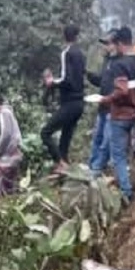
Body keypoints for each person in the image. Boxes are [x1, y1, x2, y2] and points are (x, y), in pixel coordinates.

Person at [94, 26, 135, 201]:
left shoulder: (119, 64)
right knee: (128, 150)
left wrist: (106, 99)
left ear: (119, 43)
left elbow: (122, 91)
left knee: (118, 155)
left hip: (120, 115)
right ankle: (132, 183)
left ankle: (126, 191)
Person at [41, 25, 87, 173]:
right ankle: (64, 164)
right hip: (80, 103)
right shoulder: (81, 54)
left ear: (64, 36)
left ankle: (60, 163)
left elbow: (67, 80)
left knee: (46, 132)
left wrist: (52, 82)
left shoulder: (66, 53)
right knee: (65, 137)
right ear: (77, 36)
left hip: (70, 102)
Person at [87, 33, 118, 174]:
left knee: (107, 140)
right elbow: (102, 80)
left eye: (108, 43)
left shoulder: (119, 62)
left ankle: (99, 168)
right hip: (102, 105)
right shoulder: (107, 60)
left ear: (115, 44)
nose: (105, 46)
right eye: (104, 43)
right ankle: (92, 165)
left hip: (112, 107)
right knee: (97, 138)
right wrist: (89, 75)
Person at [0, 94, 22, 199]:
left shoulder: (3, 113)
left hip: (9, 154)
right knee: (9, 182)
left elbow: (5, 134)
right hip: (14, 153)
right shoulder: (8, 113)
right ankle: (9, 203)